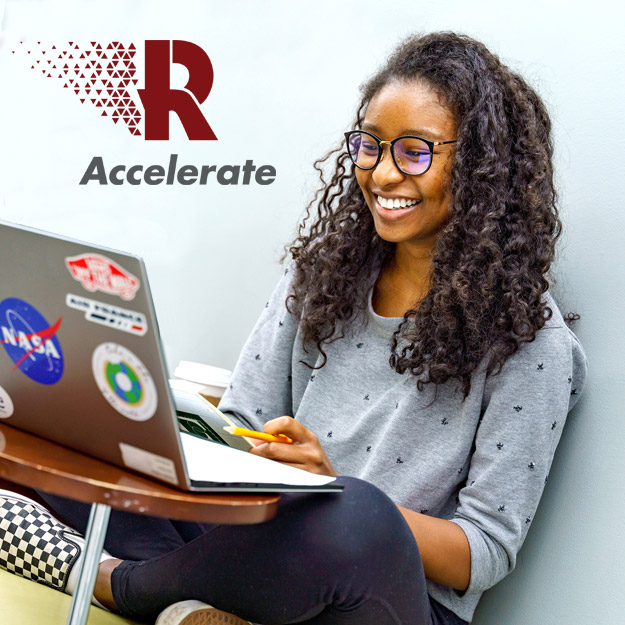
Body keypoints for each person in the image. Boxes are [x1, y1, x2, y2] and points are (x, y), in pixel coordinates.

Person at [0, 32, 587, 625]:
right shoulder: (323, 276)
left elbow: (482, 554)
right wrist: (244, 455)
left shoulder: (533, 343)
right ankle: (192, 606)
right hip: (264, 556)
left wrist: (327, 493)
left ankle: (119, 583)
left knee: (356, 515)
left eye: (414, 152)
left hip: (382, 595)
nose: (382, 174)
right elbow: (243, 424)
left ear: (483, 165)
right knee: (76, 431)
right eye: (370, 145)